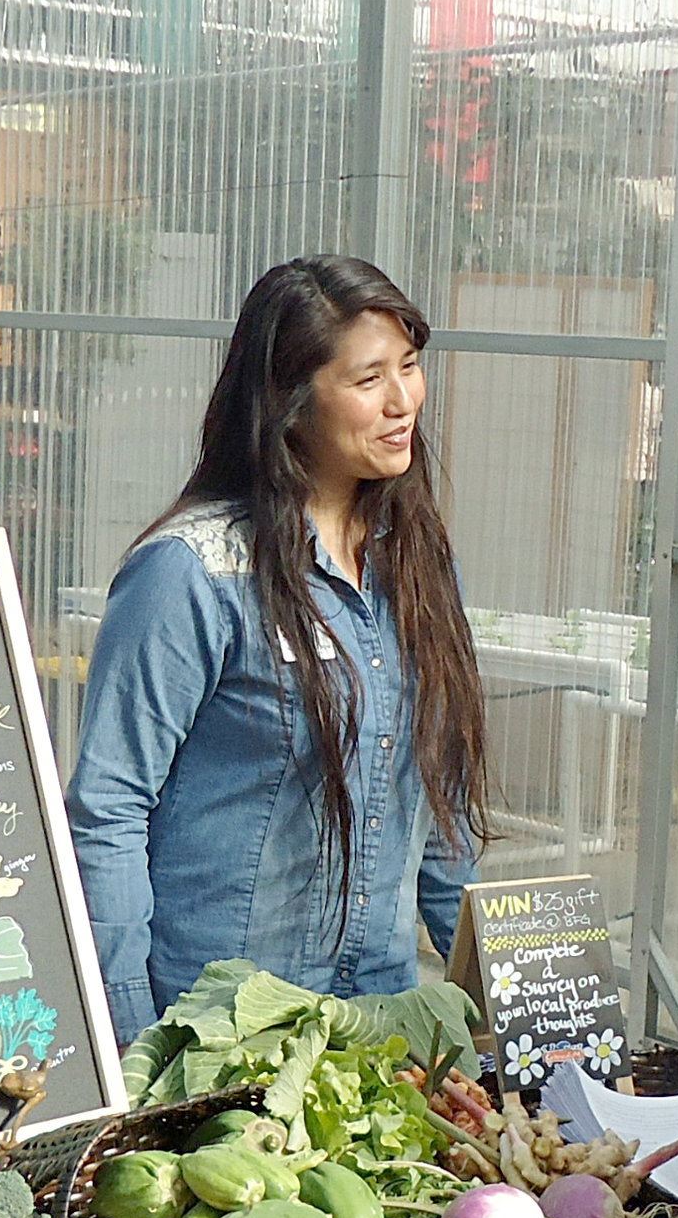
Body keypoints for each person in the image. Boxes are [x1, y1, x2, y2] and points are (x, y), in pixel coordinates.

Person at [66, 255, 488, 1038]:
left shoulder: (418, 561)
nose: (404, 402)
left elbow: (441, 798)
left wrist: (508, 1001)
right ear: (290, 403)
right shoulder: (192, 574)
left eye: (410, 367)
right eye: (368, 381)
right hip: (222, 1030)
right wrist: (126, 1031)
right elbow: (107, 808)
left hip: (378, 1021)